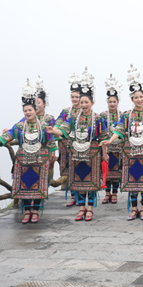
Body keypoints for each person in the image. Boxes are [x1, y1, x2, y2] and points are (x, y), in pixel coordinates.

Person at [0, 79, 57, 224]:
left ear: (36, 111)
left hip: (40, 161)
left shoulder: (43, 125)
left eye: (30, 110)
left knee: (37, 186)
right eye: (25, 111)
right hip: (23, 161)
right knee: (24, 186)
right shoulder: (19, 126)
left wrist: (51, 155)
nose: (27, 112)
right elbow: (7, 136)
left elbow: (50, 142)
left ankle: (35, 211)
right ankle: (27, 211)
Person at [100, 66, 143, 221]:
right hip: (130, 152)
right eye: (136, 97)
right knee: (132, 180)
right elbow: (119, 130)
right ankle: (133, 209)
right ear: (132, 99)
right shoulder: (127, 115)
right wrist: (110, 140)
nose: (139, 100)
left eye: (141, 97)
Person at [48, 68, 106, 222]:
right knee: (78, 181)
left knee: (91, 182)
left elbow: (104, 137)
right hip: (76, 154)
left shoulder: (98, 119)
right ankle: (81, 208)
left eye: (86, 102)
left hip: (92, 155)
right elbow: (64, 129)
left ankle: (90, 209)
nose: (84, 104)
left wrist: (105, 152)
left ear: (92, 103)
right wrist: (54, 130)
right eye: (81, 102)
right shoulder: (73, 118)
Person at [55, 70, 83, 207]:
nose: (74, 99)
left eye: (77, 97)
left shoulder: (85, 111)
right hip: (66, 146)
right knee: (69, 170)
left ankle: (81, 197)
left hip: (81, 145)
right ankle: (73, 196)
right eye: (72, 97)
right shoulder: (66, 111)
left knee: (80, 170)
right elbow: (58, 123)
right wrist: (54, 130)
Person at [100, 74, 123, 205]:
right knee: (107, 171)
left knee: (117, 172)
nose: (112, 104)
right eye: (110, 102)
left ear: (117, 102)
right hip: (107, 147)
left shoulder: (122, 115)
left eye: (114, 101)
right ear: (107, 102)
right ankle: (107, 193)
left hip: (118, 147)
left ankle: (114, 193)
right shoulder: (102, 115)